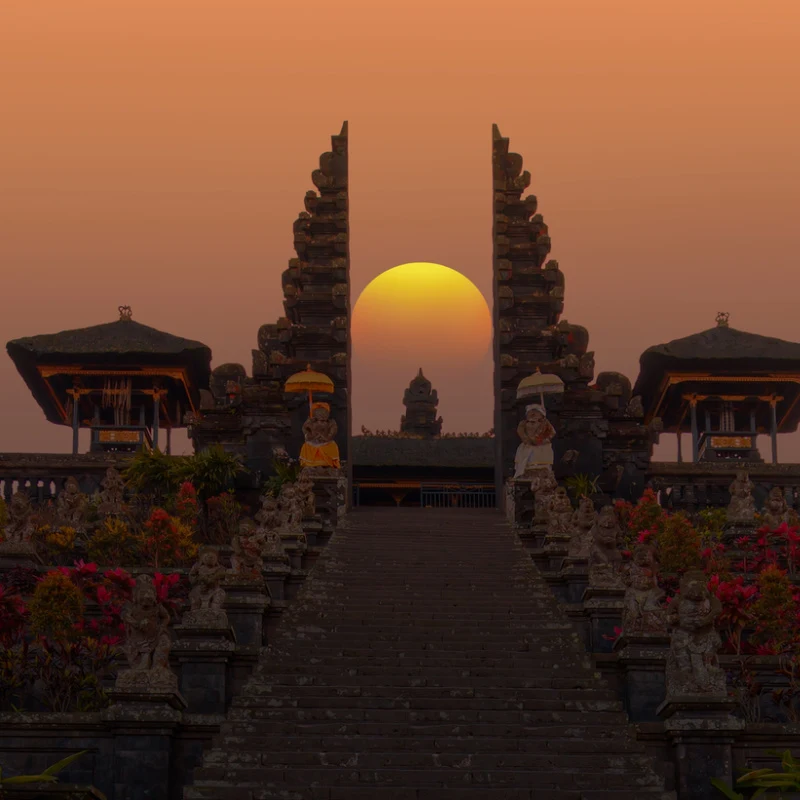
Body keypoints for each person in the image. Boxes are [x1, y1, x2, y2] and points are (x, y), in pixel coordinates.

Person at [513, 404, 556, 478]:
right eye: (531, 412)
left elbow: (552, 433)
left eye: (535, 412)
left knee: (541, 466)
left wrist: (544, 440)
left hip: (542, 447)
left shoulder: (545, 423)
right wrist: (527, 440)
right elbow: (521, 432)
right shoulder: (523, 423)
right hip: (528, 446)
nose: (533, 414)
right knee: (526, 465)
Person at [300, 402, 341, 469]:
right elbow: (305, 430)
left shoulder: (331, 423)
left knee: (331, 447)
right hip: (312, 443)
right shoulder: (310, 422)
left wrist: (326, 438)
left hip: (326, 443)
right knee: (307, 447)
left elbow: (332, 432)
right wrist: (310, 434)